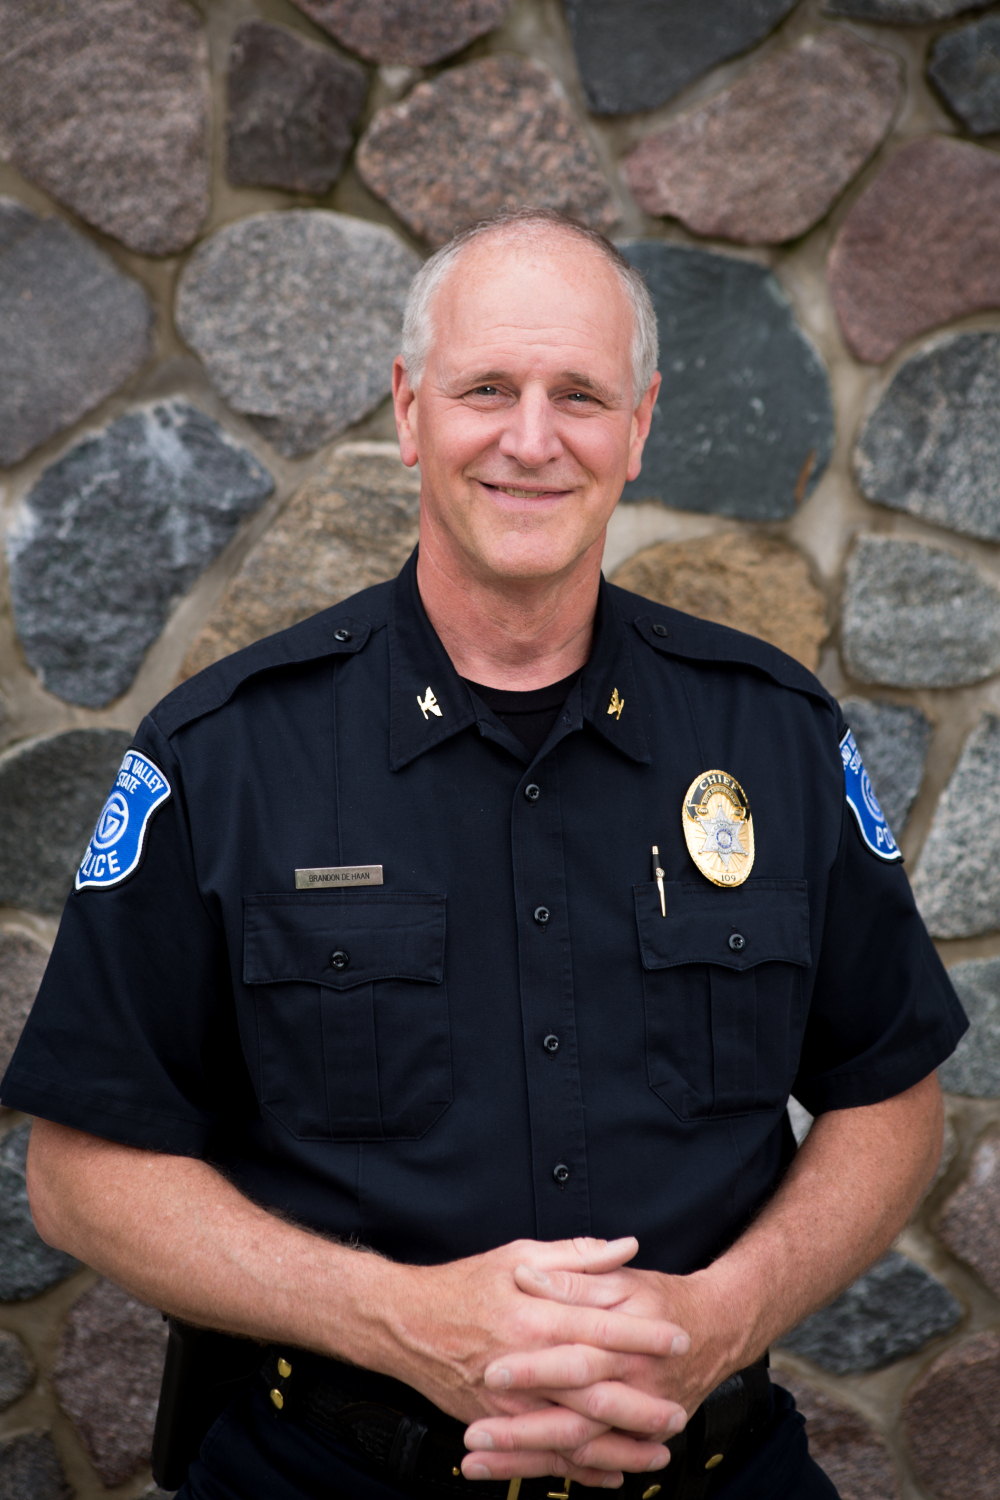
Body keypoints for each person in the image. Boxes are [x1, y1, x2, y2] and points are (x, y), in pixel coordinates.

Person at [2, 209, 966, 1500]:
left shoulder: (772, 736)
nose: (530, 437)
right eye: (486, 390)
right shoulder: (226, 755)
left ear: (639, 426)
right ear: (410, 413)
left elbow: (893, 1100)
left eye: (579, 393)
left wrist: (722, 1319)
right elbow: (76, 1179)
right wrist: (398, 1318)